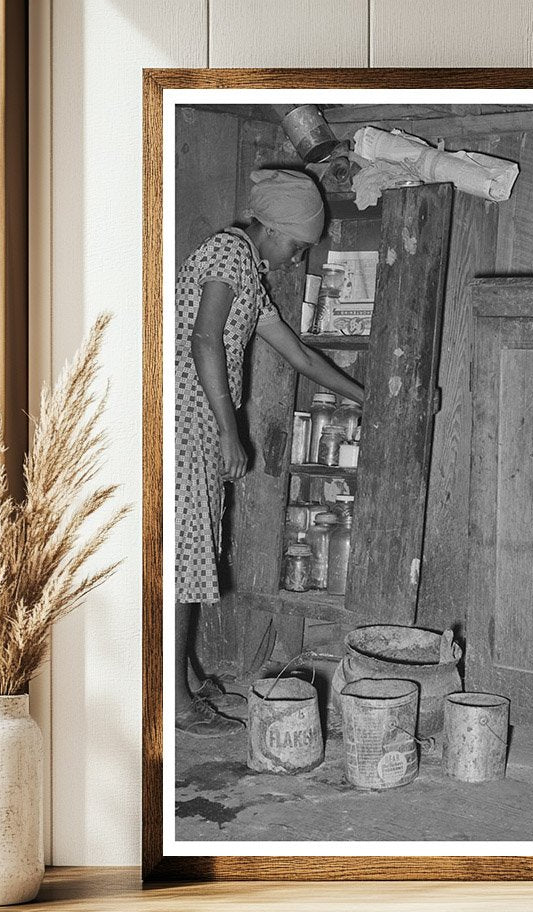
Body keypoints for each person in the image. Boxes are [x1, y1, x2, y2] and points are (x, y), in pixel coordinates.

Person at [174, 168, 362, 736]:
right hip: (186, 423)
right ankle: (173, 702)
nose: (295, 256)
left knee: (188, 554)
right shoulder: (229, 253)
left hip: (200, 426)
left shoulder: (248, 274)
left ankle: (177, 676)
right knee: (181, 561)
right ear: (274, 228)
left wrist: (367, 399)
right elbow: (204, 339)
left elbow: (300, 356)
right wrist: (230, 430)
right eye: (298, 246)